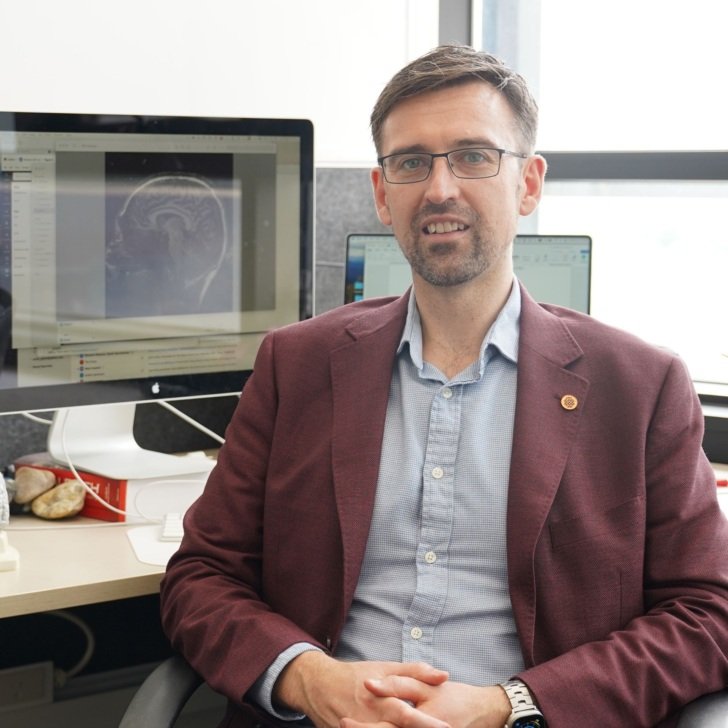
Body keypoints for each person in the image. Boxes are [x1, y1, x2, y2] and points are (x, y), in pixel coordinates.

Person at [159, 44, 728, 728]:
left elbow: (707, 614)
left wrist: (506, 706)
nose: (439, 188)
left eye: (473, 156)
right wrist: (310, 680)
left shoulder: (638, 386)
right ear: (381, 192)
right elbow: (200, 578)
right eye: (411, 162)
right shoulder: (297, 365)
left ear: (529, 184)